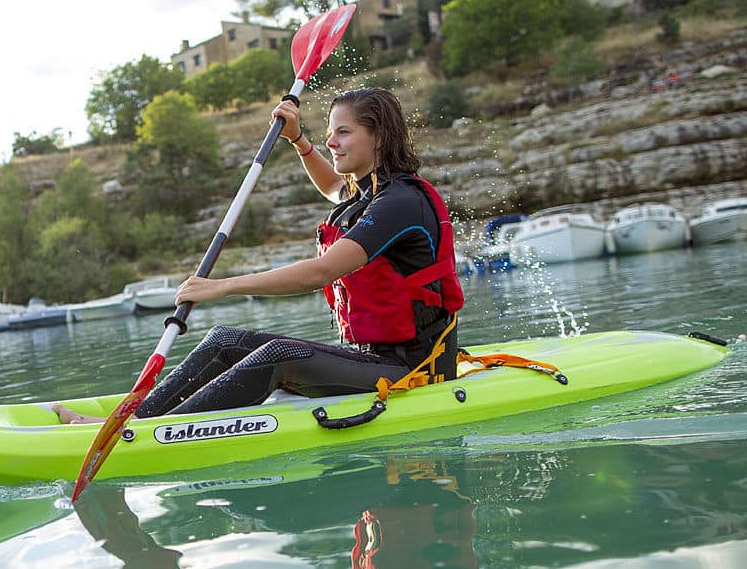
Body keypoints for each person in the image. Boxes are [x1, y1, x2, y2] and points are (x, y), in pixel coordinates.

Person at [56, 87, 464, 424]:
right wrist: (299, 140)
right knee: (225, 340)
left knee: (279, 357)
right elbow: (331, 188)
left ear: (378, 137)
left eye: (343, 132)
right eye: (329, 132)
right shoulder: (368, 196)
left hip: (413, 369)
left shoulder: (400, 203)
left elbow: (320, 273)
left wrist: (224, 286)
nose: (331, 141)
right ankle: (131, 422)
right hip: (369, 358)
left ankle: (141, 434)